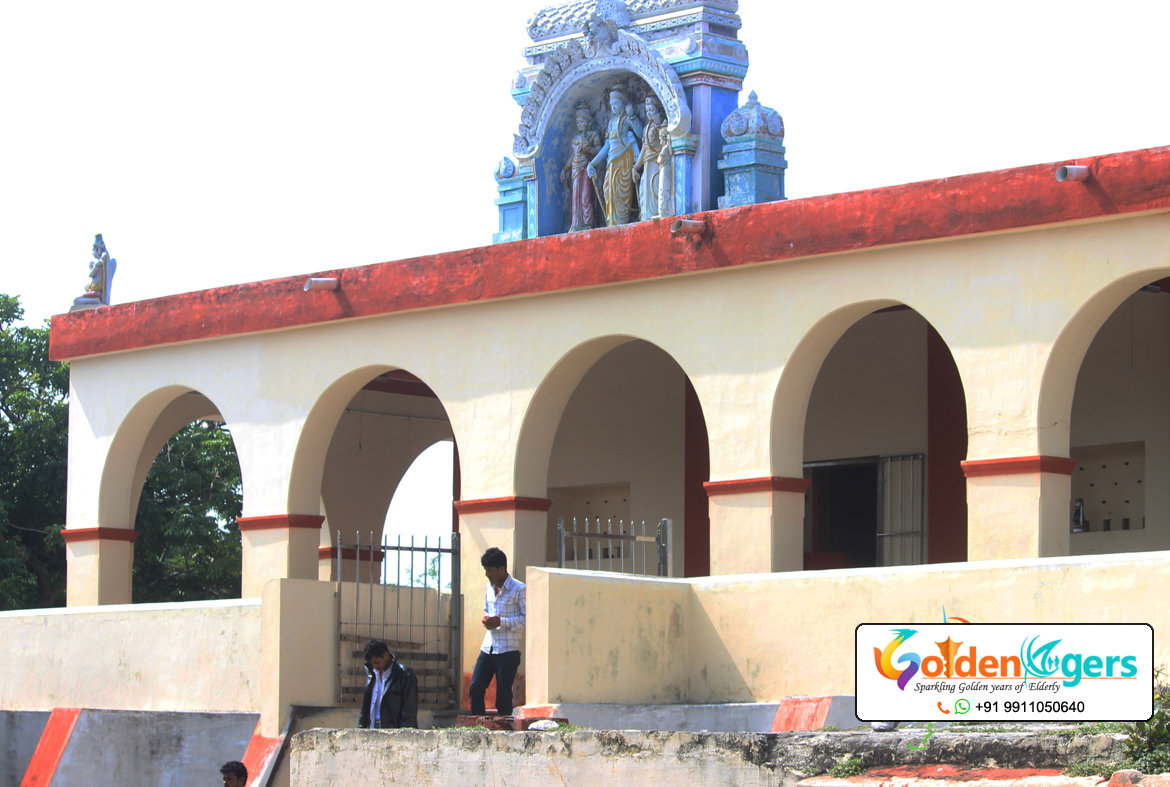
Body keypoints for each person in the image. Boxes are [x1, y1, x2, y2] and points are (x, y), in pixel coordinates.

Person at [468, 547, 526, 717]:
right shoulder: (489, 587)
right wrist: (488, 620)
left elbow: (527, 618)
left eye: (490, 570)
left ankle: (505, 733)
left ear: (502, 569)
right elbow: (488, 609)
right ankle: (479, 727)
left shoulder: (519, 589)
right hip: (488, 647)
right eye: (485, 570)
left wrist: (501, 622)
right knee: (475, 688)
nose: (487, 574)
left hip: (508, 650)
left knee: (503, 697)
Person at [587, 86, 643, 227]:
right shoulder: (611, 123)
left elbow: (641, 134)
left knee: (622, 196)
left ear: (624, 104)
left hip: (624, 162)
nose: (613, 107)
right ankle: (612, 223)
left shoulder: (627, 119)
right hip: (611, 164)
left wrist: (632, 116)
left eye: (616, 104)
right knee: (608, 193)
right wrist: (593, 163)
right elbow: (607, 147)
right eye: (611, 105)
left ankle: (621, 223)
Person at [358, 639, 419, 729]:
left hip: (393, 731)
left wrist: (404, 735)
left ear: (386, 655)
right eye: (372, 663)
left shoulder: (404, 675)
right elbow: (365, 709)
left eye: (377, 662)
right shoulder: (372, 675)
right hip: (372, 728)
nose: (374, 666)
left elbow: (409, 712)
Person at [561, 101, 602, 232]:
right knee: (576, 197)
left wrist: (589, 149)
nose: (579, 124)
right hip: (576, 169)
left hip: (586, 167)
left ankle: (589, 223)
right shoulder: (576, 138)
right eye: (578, 122)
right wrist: (565, 169)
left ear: (589, 121)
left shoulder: (592, 135)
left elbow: (599, 150)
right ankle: (577, 224)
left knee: (585, 195)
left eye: (582, 121)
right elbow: (572, 157)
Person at [634, 96, 667, 222]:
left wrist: (659, 124)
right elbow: (644, 148)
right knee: (645, 190)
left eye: (651, 111)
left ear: (658, 111)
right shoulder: (646, 127)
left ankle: (657, 213)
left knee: (656, 187)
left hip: (657, 162)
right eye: (647, 111)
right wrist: (636, 167)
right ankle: (646, 216)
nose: (648, 114)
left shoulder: (662, 125)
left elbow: (665, 143)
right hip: (647, 164)